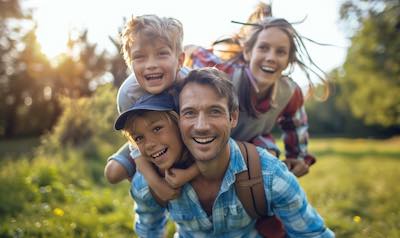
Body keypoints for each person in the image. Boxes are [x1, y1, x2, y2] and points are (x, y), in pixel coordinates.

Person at [128, 67, 334, 237]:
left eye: (214, 111)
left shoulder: (269, 175)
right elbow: (148, 231)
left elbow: (313, 234)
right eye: (189, 113)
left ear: (233, 118)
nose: (201, 126)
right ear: (178, 120)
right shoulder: (150, 182)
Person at [186, 16, 330, 178]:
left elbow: (296, 126)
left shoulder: (289, 92)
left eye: (280, 52)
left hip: (246, 147)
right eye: (263, 48)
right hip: (204, 142)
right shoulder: (224, 74)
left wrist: (297, 158)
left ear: (289, 60)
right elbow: (194, 54)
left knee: (268, 152)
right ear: (248, 52)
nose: (271, 58)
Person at [104, 14, 198, 201]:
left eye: (162, 54)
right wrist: (156, 183)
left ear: (179, 60)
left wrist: (190, 173)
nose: (151, 65)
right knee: (112, 173)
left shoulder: (191, 87)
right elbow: (134, 143)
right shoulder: (128, 94)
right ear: (130, 64)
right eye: (139, 57)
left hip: (183, 137)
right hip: (145, 138)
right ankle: (149, 227)